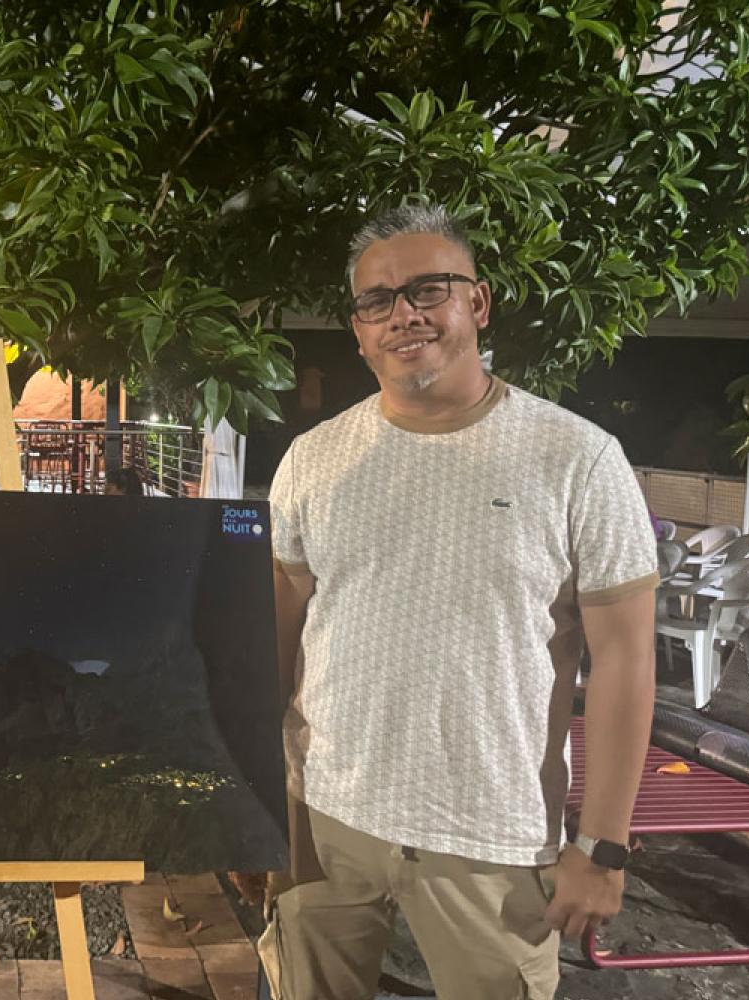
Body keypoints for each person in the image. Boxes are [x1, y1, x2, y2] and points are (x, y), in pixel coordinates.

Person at [249, 204, 657, 999]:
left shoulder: (576, 459)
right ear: (360, 332)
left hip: (492, 837)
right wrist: (249, 794)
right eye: (377, 301)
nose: (404, 314)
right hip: (325, 817)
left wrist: (603, 846)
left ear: (478, 303)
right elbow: (275, 632)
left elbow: (626, 660)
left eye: (428, 289)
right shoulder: (312, 460)